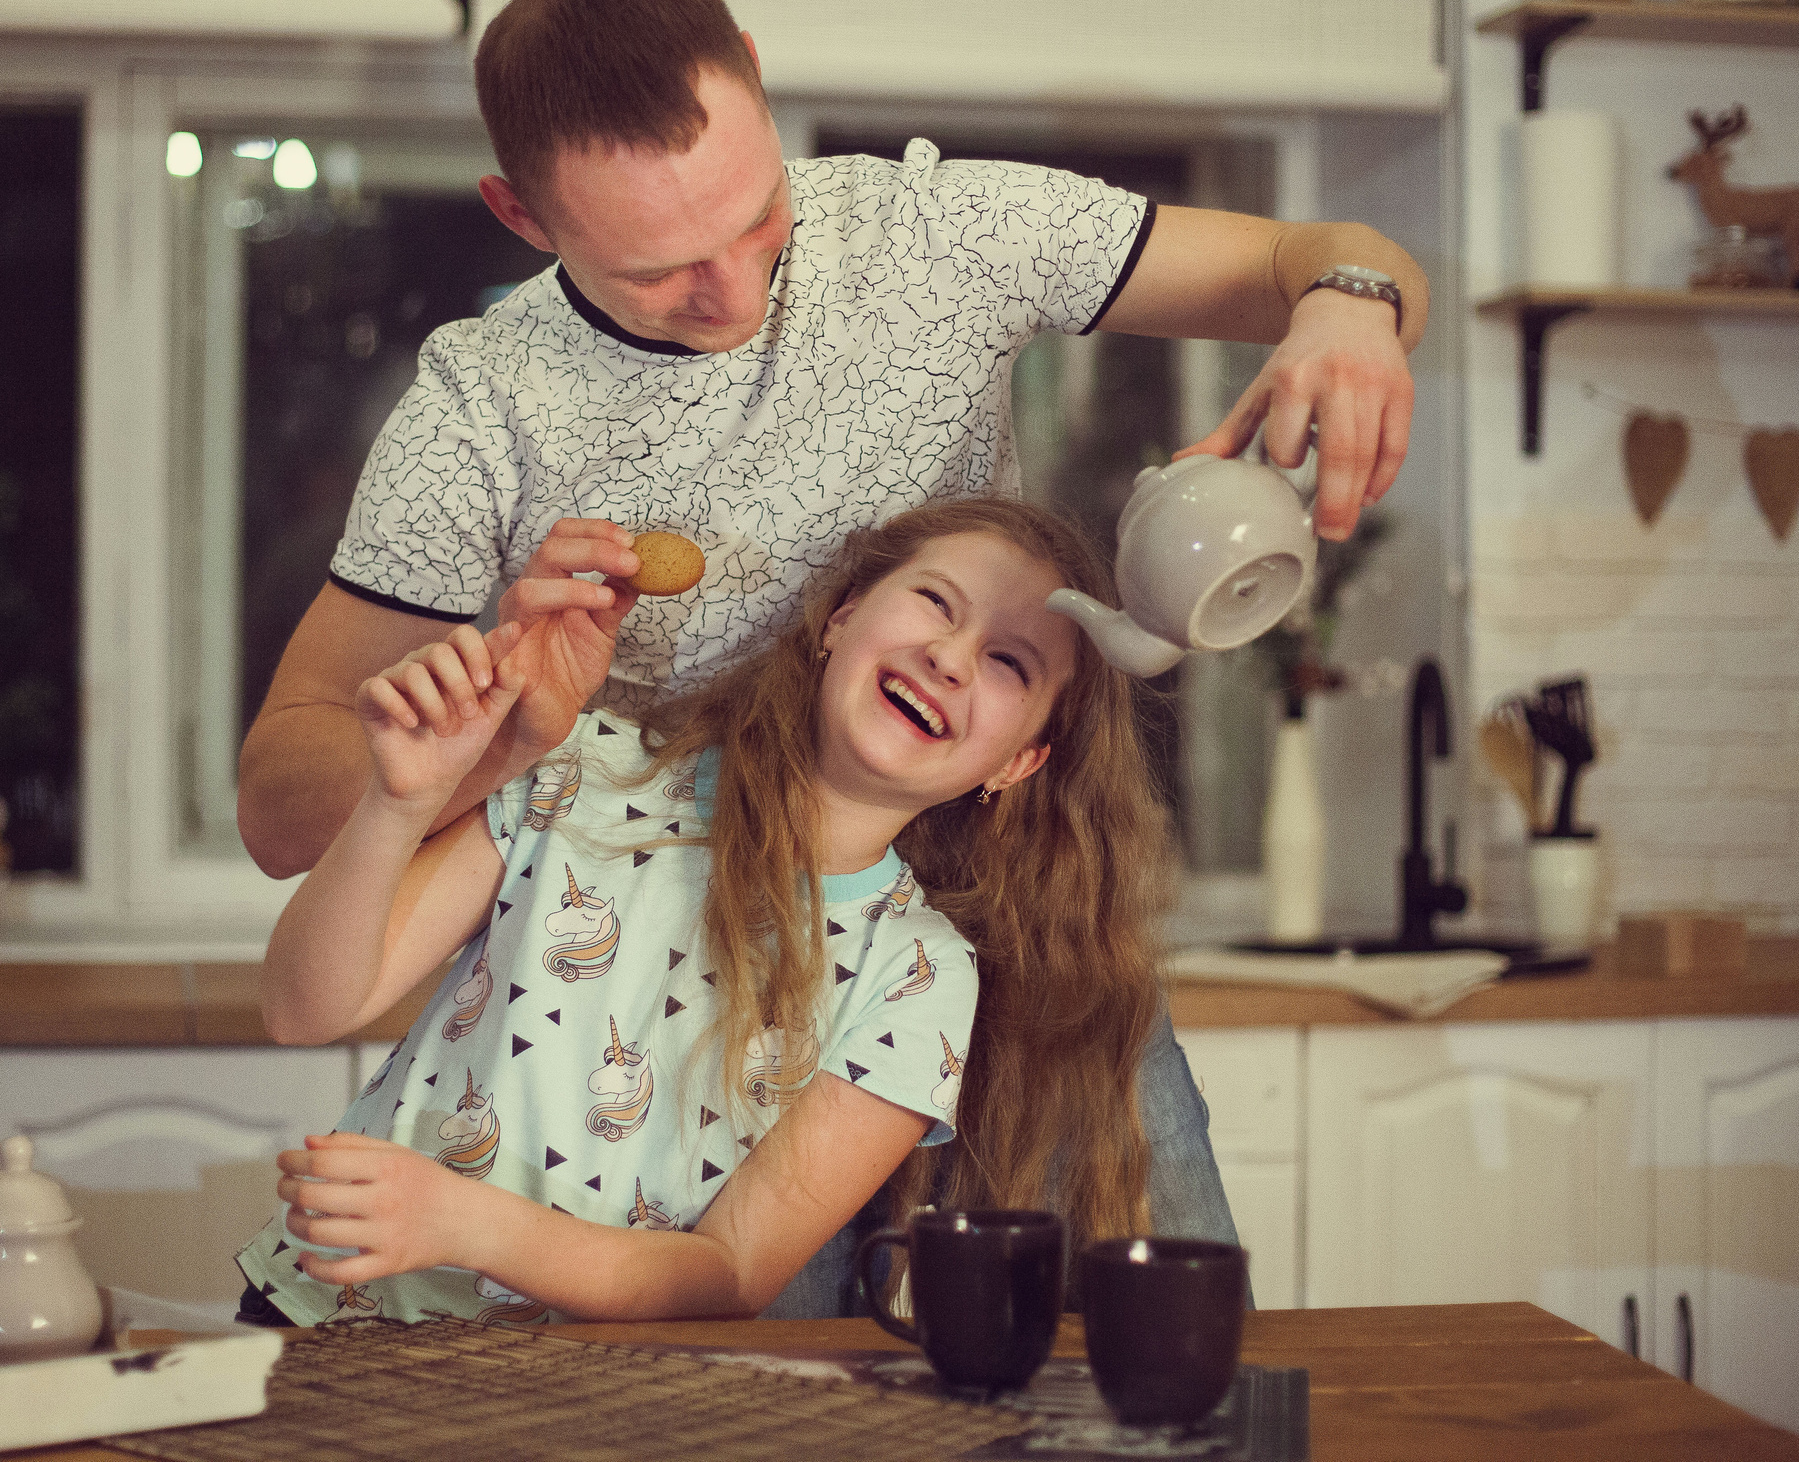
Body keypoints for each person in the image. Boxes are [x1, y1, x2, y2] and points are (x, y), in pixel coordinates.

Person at [239, 0, 1429, 1300]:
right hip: (695, 962)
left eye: (755, 222)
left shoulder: (943, 234)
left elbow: (1321, 260)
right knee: (763, 1381)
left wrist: (1354, 304)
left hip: (997, 923)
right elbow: (287, 808)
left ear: (751, 67)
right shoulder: (476, 411)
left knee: (1161, 1336)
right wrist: (505, 727)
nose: (738, 299)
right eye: (661, 273)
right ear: (522, 215)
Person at [236, 498, 1172, 1324]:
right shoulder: (588, 766)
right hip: (319, 1321)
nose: (949, 655)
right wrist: (397, 806)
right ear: (839, 620)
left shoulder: (920, 980)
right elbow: (301, 1007)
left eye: (1009, 661)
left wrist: (466, 1222)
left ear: (1020, 763)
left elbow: (729, 1272)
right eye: (935, 601)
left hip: (568, 1408)